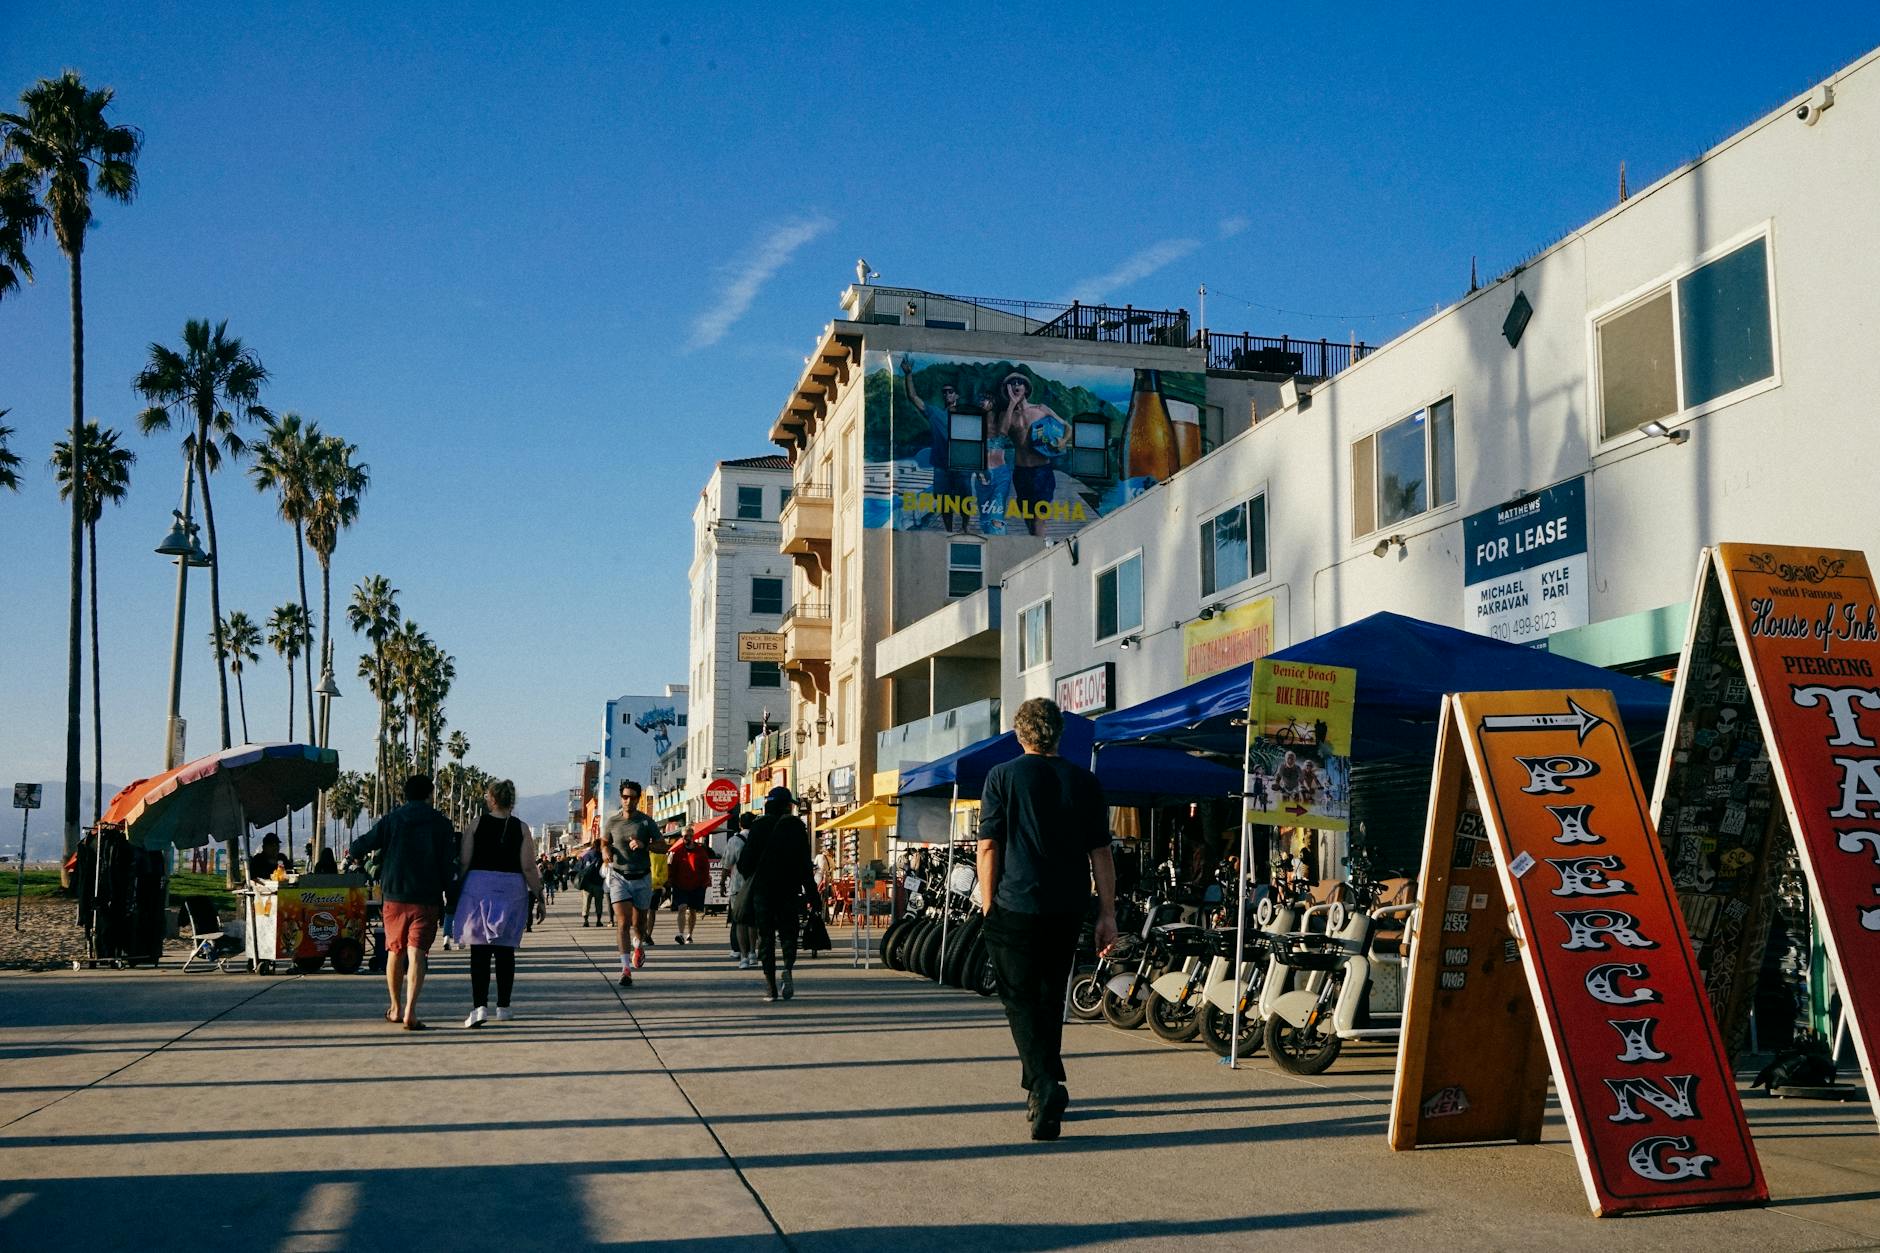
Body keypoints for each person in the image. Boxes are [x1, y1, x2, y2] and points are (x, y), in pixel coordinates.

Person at [977, 697, 1116, 1141]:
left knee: (1019, 998)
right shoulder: (1084, 781)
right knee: (1050, 997)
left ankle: (1043, 1083)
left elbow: (988, 846)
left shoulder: (1002, 777)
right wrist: (1107, 912)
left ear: (1020, 735)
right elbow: (1101, 853)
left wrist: (987, 900)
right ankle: (1040, 1097)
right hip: (1068, 904)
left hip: (1015, 903)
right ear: (1059, 734)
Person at [350, 774, 458, 1031]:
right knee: (417, 953)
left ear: (405, 795)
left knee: (394, 951)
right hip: (427, 898)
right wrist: (451, 896)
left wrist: (364, 859)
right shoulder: (441, 824)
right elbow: (448, 865)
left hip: (395, 897)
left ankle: (395, 1007)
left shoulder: (391, 820)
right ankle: (411, 1011)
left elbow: (358, 847)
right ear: (429, 794)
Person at [454, 779, 543, 1028]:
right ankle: (504, 1006)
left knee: (479, 951)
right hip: (512, 889)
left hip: (478, 888)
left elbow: (464, 861)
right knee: (505, 951)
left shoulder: (476, 824)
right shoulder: (521, 828)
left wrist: (458, 887)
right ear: (511, 800)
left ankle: (479, 1006)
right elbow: (528, 866)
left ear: (491, 799)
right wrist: (538, 894)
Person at [738, 787, 819, 1003]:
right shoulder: (796, 827)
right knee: (788, 935)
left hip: (763, 892)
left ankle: (770, 986)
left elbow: (744, 863)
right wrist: (812, 894)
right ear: (785, 806)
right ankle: (788, 969)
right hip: (789, 891)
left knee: (766, 938)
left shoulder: (758, 826)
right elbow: (804, 865)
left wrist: (756, 876)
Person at [602, 780, 660, 985]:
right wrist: (605, 851)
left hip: (642, 876)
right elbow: (604, 841)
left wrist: (645, 844)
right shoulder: (612, 822)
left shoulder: (646, 821)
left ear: (638, 799)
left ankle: (638, 945)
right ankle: (625, 968)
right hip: (619, 876)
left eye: (633, 797)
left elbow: (662, 845)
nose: (628, 801)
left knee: (639, 924)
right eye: (625, 797)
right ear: (621, 798)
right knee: (623, 922)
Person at [901, 357, 961, 532]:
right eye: (945, 392)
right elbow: (913, 397)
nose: (947, 394)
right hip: (941, 465)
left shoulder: (966, 415)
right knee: (943, 502)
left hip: (961, 465)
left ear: (957, 395)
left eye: (951, 392)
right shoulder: (935, 414)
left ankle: (964, 528)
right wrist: (908, 374)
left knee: (965, 500)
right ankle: (950, 530)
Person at [665, 823, 713, 945]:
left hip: (696, 886)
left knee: (692, 911)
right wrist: (670, 880)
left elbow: (705, 868)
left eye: (689, 836)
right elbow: (672, 868)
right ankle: (680, 934)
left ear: (693, 837)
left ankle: (689, 935)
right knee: (681, 908)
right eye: (684, 836)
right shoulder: (678, 852)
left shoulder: (700, 851)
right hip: (680, 885)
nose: (687, 838)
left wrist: (704, 882)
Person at [723, 814, 753, 967]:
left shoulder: (734, 841)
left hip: (738, 885)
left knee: (739, 919)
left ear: (740, 824)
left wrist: (722, 883)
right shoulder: (759, 838)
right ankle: (754, 951)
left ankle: (741, 953)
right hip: (755, 884)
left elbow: (727, 863)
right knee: (753, 920)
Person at [578, 838, 607, 926]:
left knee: (586, 903)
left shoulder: (586, 855)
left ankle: (586, 921)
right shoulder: (602, 856)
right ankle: (598, 921)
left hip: (587, 883)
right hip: (598, 883)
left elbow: (580, 868)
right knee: (599, 903)